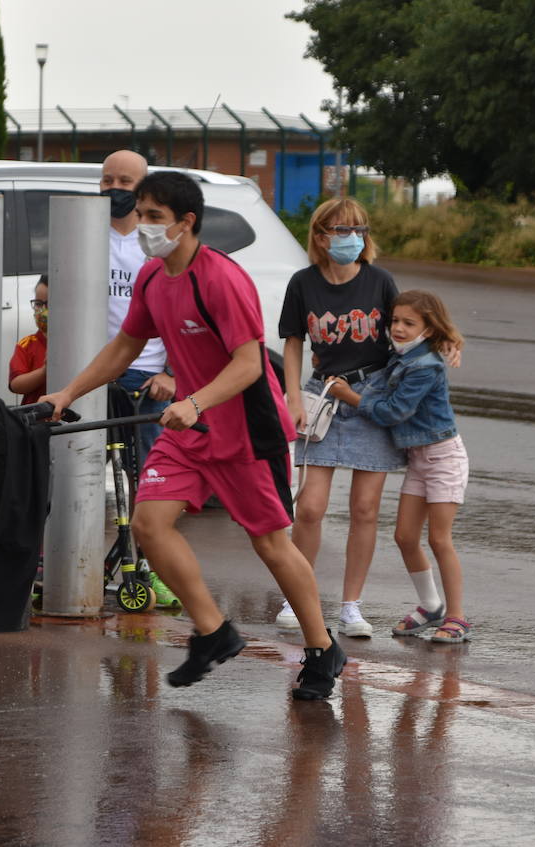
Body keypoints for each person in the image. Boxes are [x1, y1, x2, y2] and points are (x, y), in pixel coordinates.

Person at [40, 171, 348, 700]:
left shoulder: (222, 279)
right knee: (148, 524)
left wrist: (193, 400)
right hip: (189, 430)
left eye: (155, 217)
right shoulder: (153, 279)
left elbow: (250, 364)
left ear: (187, 223)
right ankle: (213, 631)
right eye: (141, 215)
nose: (143, 227)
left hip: (246, 431)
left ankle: (322, 648)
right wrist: (67, 394)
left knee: (270, 544)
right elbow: (125, 347)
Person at [277, 196, 458, 638]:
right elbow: (294, 341)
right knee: (312, 507)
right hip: (324, 395)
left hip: (374, 393)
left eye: (358, 229)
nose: (352, 238)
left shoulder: (379, 280)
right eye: (342, 230)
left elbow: (409, 325)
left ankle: (350, 607)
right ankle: (295, 597)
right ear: (321, 235)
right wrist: (292, 395)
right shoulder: (303, 283)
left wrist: (446, 343)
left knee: (364, 509)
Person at [325, 290, 471, 643]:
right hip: (418, 459)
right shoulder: (403, 356)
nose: (399, 329)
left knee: (439, 538)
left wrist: (350, 397)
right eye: (395, 322)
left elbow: (393, 412)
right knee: (404, 536)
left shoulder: (426, 366)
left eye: (409, 323)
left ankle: (457, 617)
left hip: (443, 458)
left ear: (428, 327)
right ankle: (430, 605)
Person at [99, 149, 181, 607]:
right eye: (107, 179)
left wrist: (170, 371)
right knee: (78, 475)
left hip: (148, 378)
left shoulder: (152, 244)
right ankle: (71, 564)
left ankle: (151, 571)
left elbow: (175, 309)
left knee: (150, 480)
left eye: (125, 181)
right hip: (96, 376)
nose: (114, 188)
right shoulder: (85, 237)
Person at [8, 276, 48, 405]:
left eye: (49, 303)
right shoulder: (27, 345)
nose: (42, 310)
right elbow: (16, 385)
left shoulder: (82, 343)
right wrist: (44, 371)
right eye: (38, 304)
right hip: (37, 420)